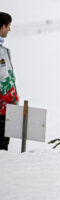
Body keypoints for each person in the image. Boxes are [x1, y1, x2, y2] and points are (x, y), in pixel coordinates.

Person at [0, 12, 19, 151]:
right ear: (2, 27)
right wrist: (10, 94)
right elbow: (3, 78)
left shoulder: (3, 50)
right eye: (9, 26)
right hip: (2, 107)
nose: (10, 30)